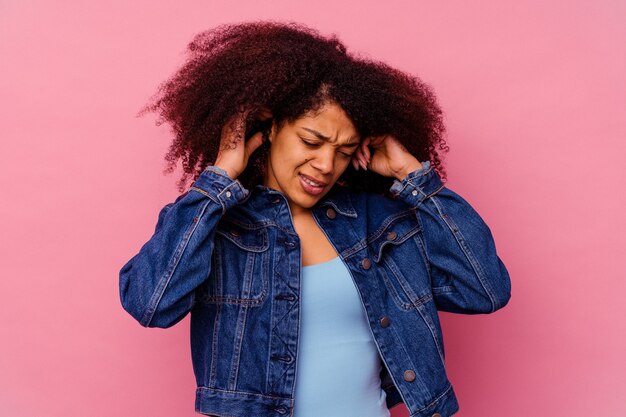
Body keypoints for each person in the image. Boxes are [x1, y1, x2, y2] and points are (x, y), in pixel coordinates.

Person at [119, 21, 511, 417]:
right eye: (311, 141)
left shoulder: (378, 225)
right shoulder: (219, 225)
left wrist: (414, 178)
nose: (326, 165)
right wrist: (219, 180)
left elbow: (484, 290)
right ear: (270, 127)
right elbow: (150, 303)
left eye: (344, 150)